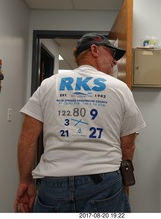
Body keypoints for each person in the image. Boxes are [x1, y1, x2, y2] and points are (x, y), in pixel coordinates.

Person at [14, 33, 146, 213]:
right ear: (94, 50)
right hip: (103, 182)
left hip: (53, 184)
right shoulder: (119, 88)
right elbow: (128, 145)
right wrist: (122, 178)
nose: (115, 62)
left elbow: (27, 138)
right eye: (112, 55)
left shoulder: (48, 85)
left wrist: (25, 181)